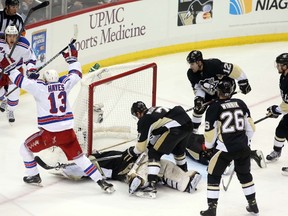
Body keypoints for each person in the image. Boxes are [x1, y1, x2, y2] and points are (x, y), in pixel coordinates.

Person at [0, 43, 115, 193]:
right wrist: (72, 59)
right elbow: (75, 74)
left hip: (50, 134)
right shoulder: (63, 85)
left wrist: (10, 69)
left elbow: (21, 81)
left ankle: (33, 176)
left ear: (46, 80)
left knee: (24, 149)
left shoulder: (39, 87)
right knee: (80, 159)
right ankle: (101, 181)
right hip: (68, 133)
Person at [36, 146, 202, 198]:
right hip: (132, 169)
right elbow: (84, 169)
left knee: (164, 165)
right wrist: (62, 169)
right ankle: (138, 181)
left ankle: (185, 181)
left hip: (141, 161)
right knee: (146, 168)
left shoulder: (104, 157)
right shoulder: (97, 161)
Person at [199, 77, 258, 216]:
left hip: (225, 149)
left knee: (213, 175)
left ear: (217, 91)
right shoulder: (240, 103)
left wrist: (209, 146)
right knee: (245, 175)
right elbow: (251, 128)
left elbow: (210, 132)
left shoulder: (213, 107)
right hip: (243, 148)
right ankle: (253, 204)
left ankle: (212, 208)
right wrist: (243, 142)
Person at [128, 101, 194, 198]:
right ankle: (184, 174)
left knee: (154, 153)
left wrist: (132, 152)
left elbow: (141, 147)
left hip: (176, 129)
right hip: (187, 125)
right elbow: (160, 130)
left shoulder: (144, 120)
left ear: (138, 113)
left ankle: (151, 185)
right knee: (178, 151)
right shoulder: (154, 110)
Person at [186, 50, 252, 133]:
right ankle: (194, 130)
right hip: (210, 90)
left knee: (221, 107)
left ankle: (231, 125)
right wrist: (199, 98)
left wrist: (243, 82)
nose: (191, 67)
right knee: (199, 108)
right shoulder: (191, 74)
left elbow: (233, 69)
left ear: (199, 62)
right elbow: (198, 88)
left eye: (192, 64)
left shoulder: (213, 64)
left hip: (225, 87)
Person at [0, 25, 37, 123]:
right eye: (9, 36)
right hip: (1, 70)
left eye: (14, 36)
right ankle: (3, 99)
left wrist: (31, 69)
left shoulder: (23, 44)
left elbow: (30, 58)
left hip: (15, 71)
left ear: (17, 36)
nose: (12, 38)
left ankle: (10, 110)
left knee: (14, 96)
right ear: (5, 36)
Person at [185, 132, 267, 168]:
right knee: (221, 146)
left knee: (204, 156)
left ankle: (225, 163)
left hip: (189, 142)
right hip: (198, 138)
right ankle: (252, 154)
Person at [266, 53, 288, 163]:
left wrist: (277, 110)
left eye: (280, 65)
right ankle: (277, 151)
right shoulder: (283, 77)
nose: (278, 67)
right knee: (281, 130)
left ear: (286, 66)